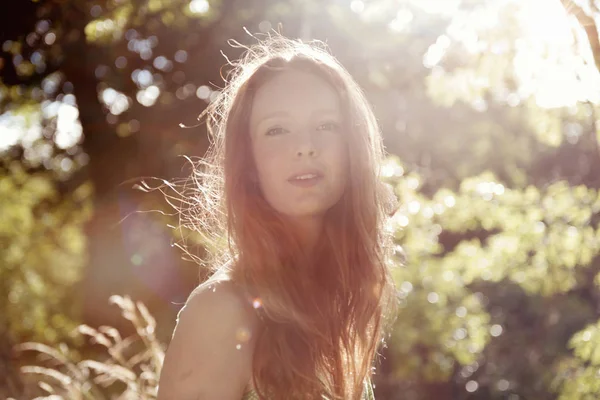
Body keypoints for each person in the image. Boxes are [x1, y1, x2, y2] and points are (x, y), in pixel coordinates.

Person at [156, 33, 399, 400]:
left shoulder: (338, 299)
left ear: (354, 148)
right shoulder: (220, 311)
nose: (305, 146)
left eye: (326, 125)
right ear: (249, 163)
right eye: (277, 129)